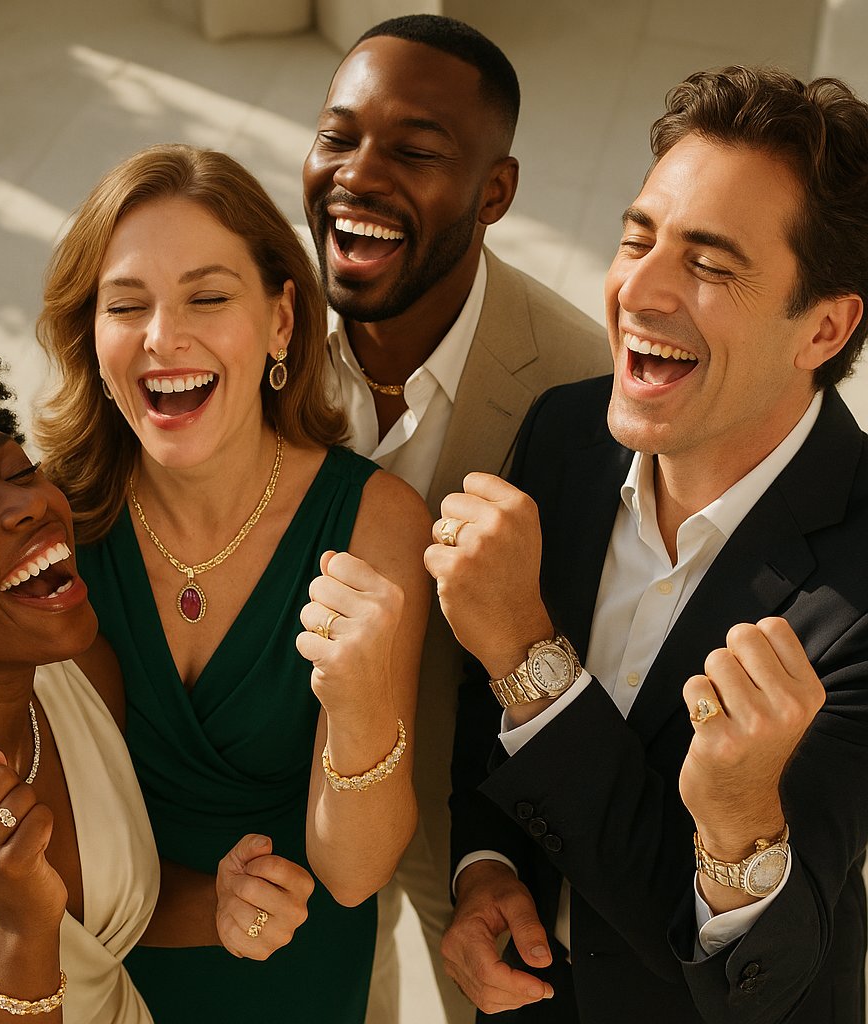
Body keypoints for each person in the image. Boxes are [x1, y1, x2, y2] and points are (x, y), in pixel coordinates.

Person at [0, 22, 432, 1024]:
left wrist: (361, 701)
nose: (165, 337)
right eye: (126, 306)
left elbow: (353, 870)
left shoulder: (373, 522)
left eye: (208, 295)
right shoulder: (53, 517)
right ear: (93, 335)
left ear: (282, 322)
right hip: (97, 968)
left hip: (290, 971)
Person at [428, 65, 868, 1023]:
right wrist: (485, 866)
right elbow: (479, 701)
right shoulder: (563, 436)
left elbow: (760, 979)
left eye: (710, 265)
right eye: (639, 238)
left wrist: (743, 822)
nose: (640, 290)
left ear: (823, 327)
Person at [0, 316, 313, 1022]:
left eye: (18, 470)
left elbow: (98, 926)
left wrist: (218, 901)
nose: (30, 505)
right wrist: (18, 928)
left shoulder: (79, 673)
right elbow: (45, 924)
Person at [302, 15, 611, 1022]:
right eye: (338, 136)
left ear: (495, 192)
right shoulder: (259, 336)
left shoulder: (581, 388)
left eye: (416, 150)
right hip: (296, 802)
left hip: (478, 831)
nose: (358, 174)